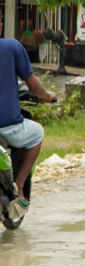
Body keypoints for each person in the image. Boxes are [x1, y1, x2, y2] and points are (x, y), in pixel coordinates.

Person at [0, 37, 57, 225]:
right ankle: (19, 185)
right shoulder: (11, 46)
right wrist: (47, 96)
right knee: (37, 133)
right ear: (0, 26)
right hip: (7, 126)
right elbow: (32, 84)